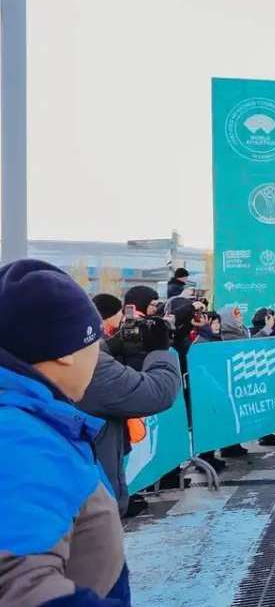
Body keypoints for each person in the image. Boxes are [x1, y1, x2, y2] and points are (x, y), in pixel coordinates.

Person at [0, 259, 129, 604]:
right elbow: (21, 587)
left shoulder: (35, 421)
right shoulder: (22, 438)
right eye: (97, 341)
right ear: (67, 353)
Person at [79, 296, 181, 516]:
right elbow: (158, 392)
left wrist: (109, 346)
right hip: (92, 505)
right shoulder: (87, 367)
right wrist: (160, 349)